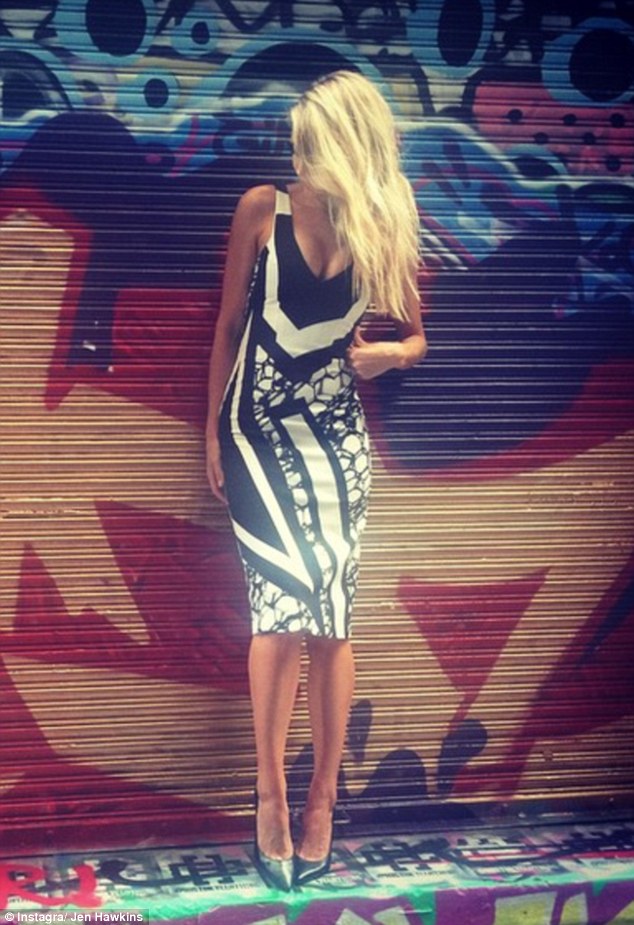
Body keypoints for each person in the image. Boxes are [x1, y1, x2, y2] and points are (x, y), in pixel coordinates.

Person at [206, 70, 427, 891]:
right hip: (255, 430)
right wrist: (210, 429)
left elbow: (416, 336)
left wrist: (388, 353)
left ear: (340, 144)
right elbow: (229, 324)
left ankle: (322, 801)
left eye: (309, 143)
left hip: (338, 440)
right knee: (278, 608)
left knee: (331, 617)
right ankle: (269, 795)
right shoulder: (261, 211)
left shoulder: (387, 220)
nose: (298, 157)